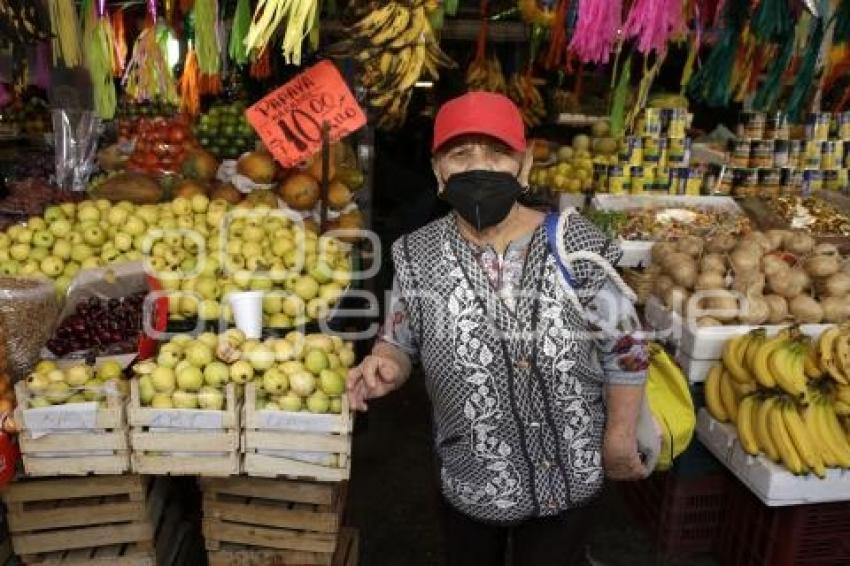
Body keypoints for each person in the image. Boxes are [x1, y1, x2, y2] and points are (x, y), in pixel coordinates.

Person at [346, 92, 650, 566]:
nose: (478, 167)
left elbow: (627, 345)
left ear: (525, 164)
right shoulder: (415, 254)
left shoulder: (577, 242)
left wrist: (619, 437)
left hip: (570, 471)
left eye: (497, 153)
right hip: (472, 475)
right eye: (460, 154)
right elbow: (398, 339)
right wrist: (385, 364)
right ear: (438, 171)